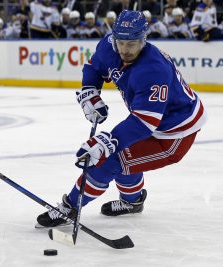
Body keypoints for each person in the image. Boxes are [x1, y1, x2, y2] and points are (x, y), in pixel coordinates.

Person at [36, 10, 207, 228]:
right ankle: (132, 201)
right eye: (121, 43)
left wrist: (106, 142)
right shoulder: (110, 46)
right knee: (123, 156)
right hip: (153, 122)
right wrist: (90, 91)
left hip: (175, 134)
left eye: (132, 44)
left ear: (143, 40)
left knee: (110, 160)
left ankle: (70, 207)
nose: (125, 50)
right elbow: (93, 66)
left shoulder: (154, 70)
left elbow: (144, 123)